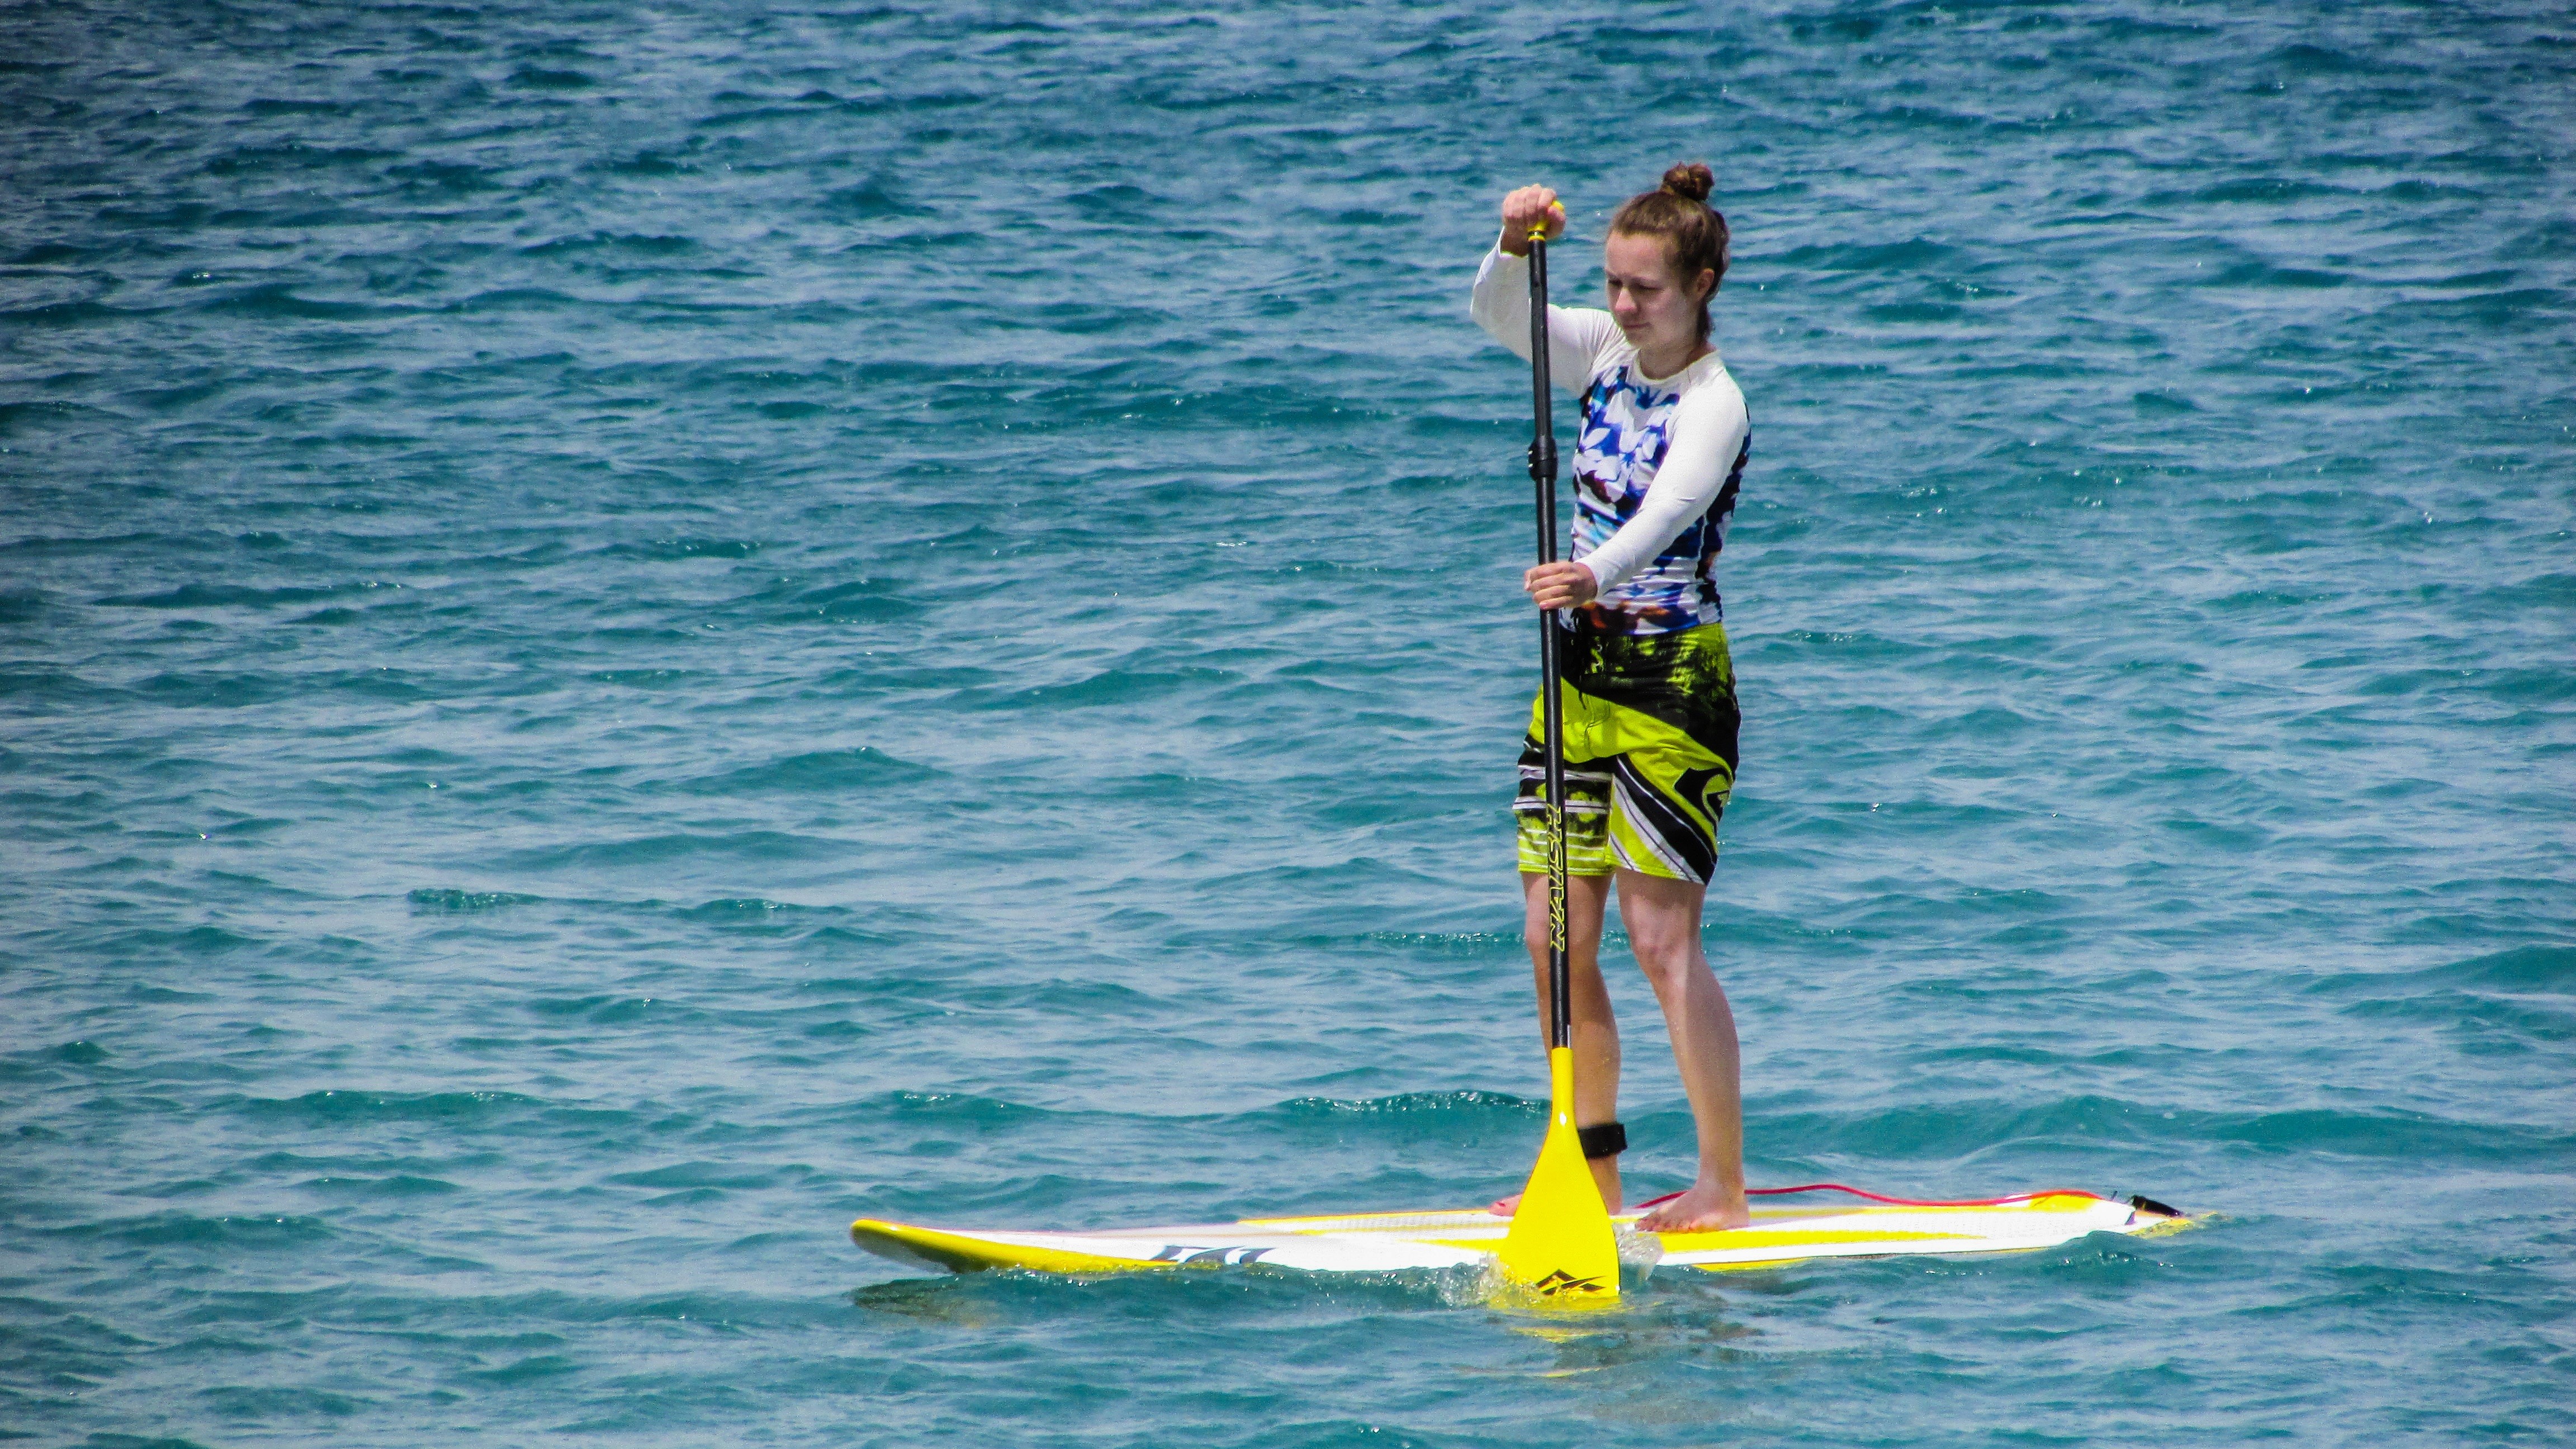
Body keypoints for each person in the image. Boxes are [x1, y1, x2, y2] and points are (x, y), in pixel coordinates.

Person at [1471, 163, 1753, 1234]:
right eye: (1613, 286)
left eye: (1647, 290)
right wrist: (1510, 244)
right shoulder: (1601, 353)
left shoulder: (1716, 401)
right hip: (1573, 683)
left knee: (1659, 941)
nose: (1626, 308)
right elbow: (1501, 312)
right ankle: (1586, 1178)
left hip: (1673, 689)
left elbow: (1670, 514)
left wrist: (1592, 576)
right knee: (1554, 937)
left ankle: (1721, 1186)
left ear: (1703, 283)